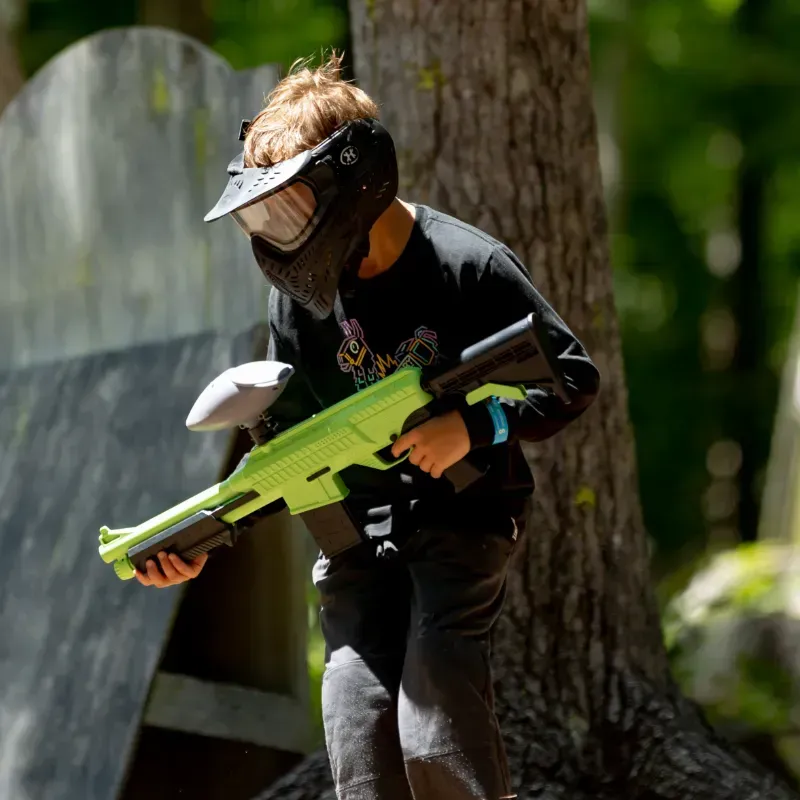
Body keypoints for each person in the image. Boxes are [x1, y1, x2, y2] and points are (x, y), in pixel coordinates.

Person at [135, 53, 600, 800]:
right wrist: (204, 539)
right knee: (359, 739)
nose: (279, 234)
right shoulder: (301, 302)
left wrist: (472, 429)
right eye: (265, 214)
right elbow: (290, 453)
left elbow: (573, 379)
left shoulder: (466, 266)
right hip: (354, 544)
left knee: (435, 728)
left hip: (464, 520)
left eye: (292, 207)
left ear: (356, 180)